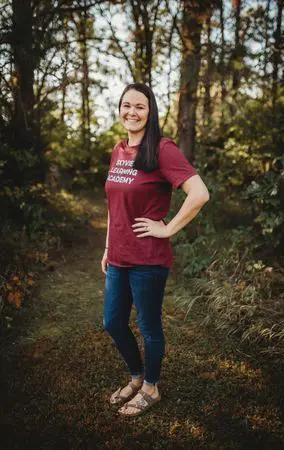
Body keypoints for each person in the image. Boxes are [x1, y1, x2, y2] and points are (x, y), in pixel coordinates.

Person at [102, 83, 209, 417]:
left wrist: (166, 228)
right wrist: (107, 245)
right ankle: (136, 377)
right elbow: (112, 205)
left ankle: (151, 386)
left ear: (151, 112)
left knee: (148, 326)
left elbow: (200, 193)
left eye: (140, 107)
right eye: (126, 105)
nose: (131, 112)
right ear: (119, 108)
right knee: (112, 322)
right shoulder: (119, 150)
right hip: (118, 255)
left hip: (148, 258)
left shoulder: (162, 149)